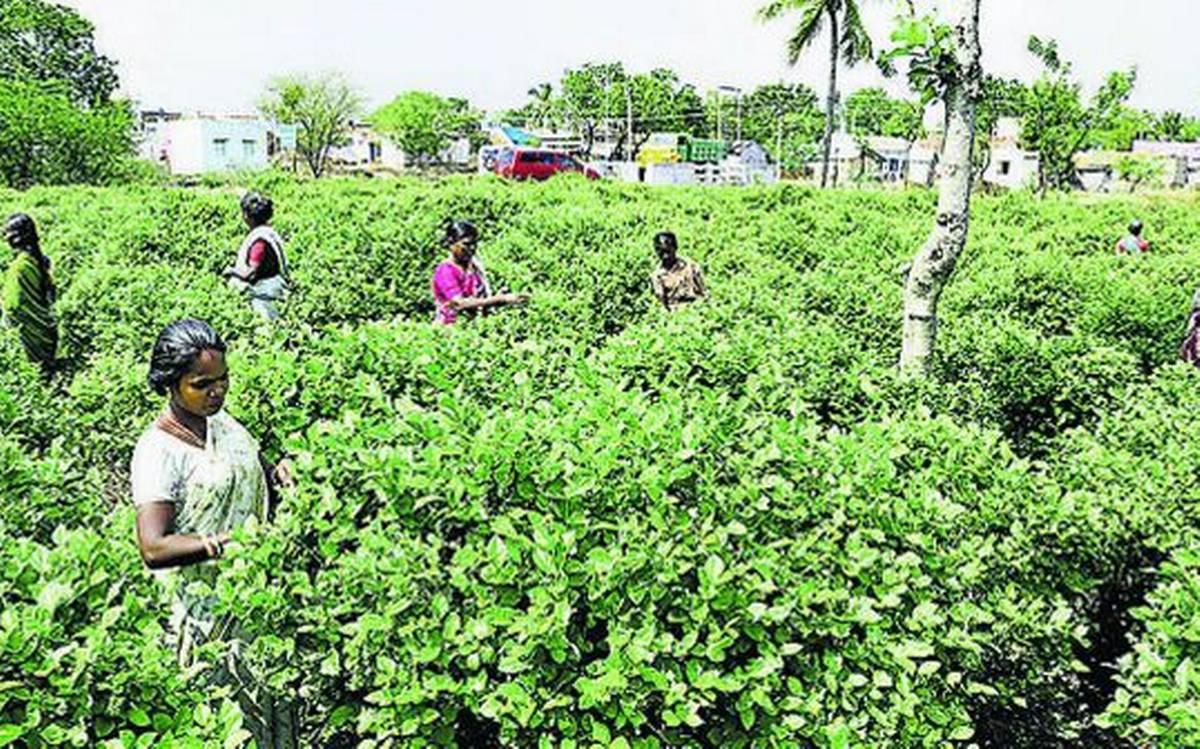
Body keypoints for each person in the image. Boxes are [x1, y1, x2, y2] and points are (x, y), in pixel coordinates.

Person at [130, 319, 297, 747]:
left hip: (255, 599)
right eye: (202, 384)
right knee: (224, 720)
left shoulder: (227, 426)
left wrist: (278, 473)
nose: (217, 391)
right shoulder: (158, 451)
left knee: (266, 702)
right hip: (203, 615)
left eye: (223, 380)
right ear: (171, 384)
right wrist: (226, 544)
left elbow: (252, 473)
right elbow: (153, 546)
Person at [431, 219, 527, 325]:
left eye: (474, 244)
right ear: (451, 244)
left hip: (476, 325)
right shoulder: (445, 271)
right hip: (451, 331)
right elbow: (459, 303)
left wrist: (497, 299)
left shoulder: (473, 266)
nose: (472, 249)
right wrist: (500, 299)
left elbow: (478, 299)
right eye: (466, 244)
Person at [2, 213, 58, 369]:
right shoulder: (40, 260)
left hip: (29, 333)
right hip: (46, 331)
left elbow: (15, 306)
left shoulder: (20, 267)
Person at [223, 192, 289, 320]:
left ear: (248, 216)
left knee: (266, 331)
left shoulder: (259, 242)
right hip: (274, 285)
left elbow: (250, 273)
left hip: (265, 293)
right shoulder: (269, 232)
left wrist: (231, 271)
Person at [650, 231, 706, 311]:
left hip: (697, 308)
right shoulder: (657, 276)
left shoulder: (691, 266)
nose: (665, 256)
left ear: (675, 248)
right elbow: (661, 304)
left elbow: (704, 292)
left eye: (668, 251)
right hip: (675, 312)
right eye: (661, 252)